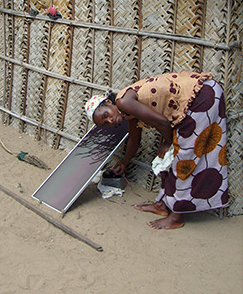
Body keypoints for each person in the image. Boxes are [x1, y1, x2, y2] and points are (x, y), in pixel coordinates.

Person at [85, 71, 228, 229]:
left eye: (106, 114)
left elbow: (162, 122)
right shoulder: (128, 112)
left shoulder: (123, 102)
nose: (110, 120)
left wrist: (167, 142)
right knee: (170, 158)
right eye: (105, 123)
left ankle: (176, 217)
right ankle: (162, 205)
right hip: (198, 98)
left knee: (183, 159)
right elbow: (134, 139)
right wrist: (125, 162)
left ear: (109, 103)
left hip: (202, 97)